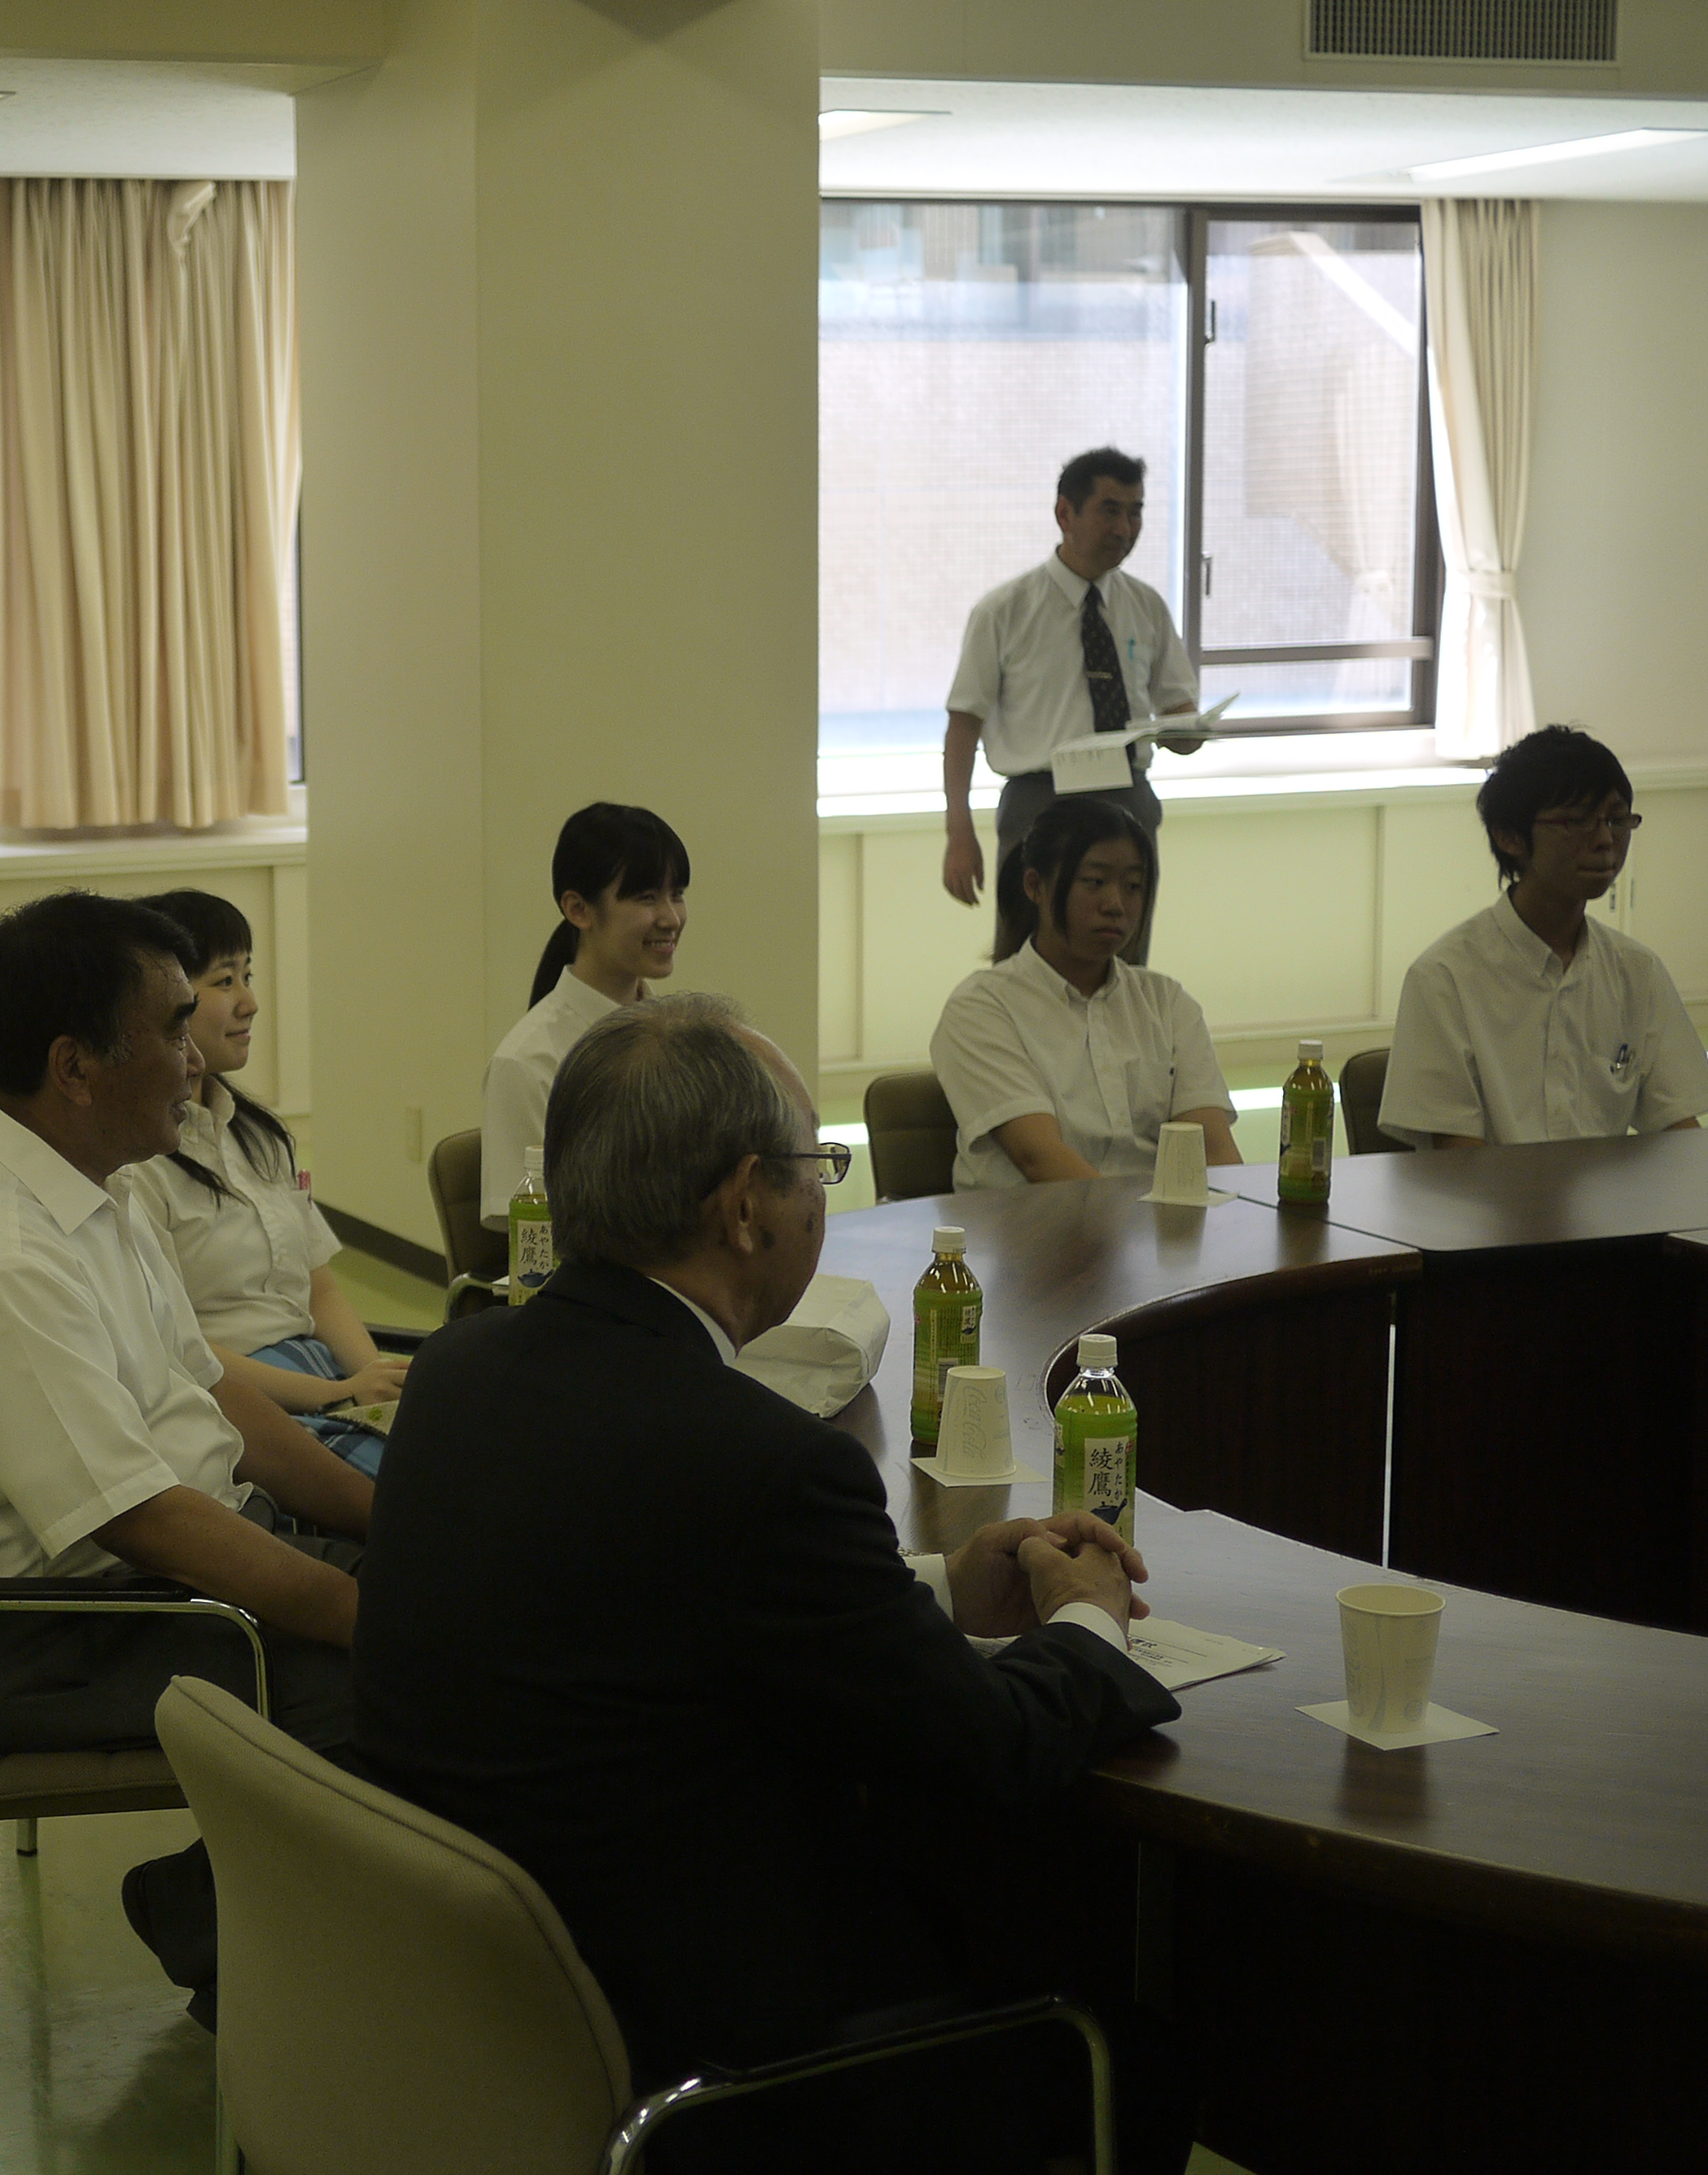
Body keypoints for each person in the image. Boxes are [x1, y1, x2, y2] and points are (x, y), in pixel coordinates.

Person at [353, 995, 1187, 2172]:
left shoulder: (458, 1367)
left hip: (472, 2000)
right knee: (1133, 2049)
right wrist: (1088, 1617)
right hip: (695, 2059)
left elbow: (647, 1595)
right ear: (746, 1203)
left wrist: (942, 1588)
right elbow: (993, 1751)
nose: (818, 1200)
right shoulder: (765, 1463)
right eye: (815, 1170)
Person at [0, 890, 374, 2020]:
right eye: (175, 1027)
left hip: (150, 1584)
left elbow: (216, 1393)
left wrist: (387, 1519)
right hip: (48, 1637)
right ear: (75, 1066)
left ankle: (244, 1926)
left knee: (471, 1607)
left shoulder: (95, 1185)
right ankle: (246, 1958)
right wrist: (361, 1610)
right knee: (410, 1681)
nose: (195, 1058)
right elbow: (141, 1517)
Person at [116, 889, 405, 1476]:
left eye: (247, 976)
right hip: (238, 1403)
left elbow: (319, 1291)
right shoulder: (135, 1164)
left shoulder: (261, 1134)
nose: (249, 1002)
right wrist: (337, 1396)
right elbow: (180, 1350)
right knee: (424, 1492)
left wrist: (376, 1382)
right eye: (224, 981)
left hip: (319, 1372)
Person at [1382, 726, 1708, 1149]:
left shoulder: (1636, 971)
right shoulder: (1445, 977)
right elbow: (1456, 1164)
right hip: (1489, 1194)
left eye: (1617, 820)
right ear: (1510, 836)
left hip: (1609, 1196)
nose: (1605, 841)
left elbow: (1682, 1137)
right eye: (1576, 821)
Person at [943, 447, 1202, 965]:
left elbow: (1180, 717)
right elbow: (964, 725)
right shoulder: (1005, 610)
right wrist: (959, 831)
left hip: (1127, 800)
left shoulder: (1146, 606)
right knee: (1025, 970)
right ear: (1066, 513)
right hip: (1040, 802)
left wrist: (1190, 732)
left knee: (1122, 969)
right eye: (1110, 510)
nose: (1125, 528)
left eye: (1136, 512)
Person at [931, 796, 1239, 1190]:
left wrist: (1241, 1217)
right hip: (1033, 1224)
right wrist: (1141, 1226)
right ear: (1035, 886)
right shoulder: (982, 1007)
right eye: (1094, 882)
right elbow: (1039, 1158)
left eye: (1133, 886)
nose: (1116, 905)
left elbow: (1214, 1151)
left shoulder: (1167, 1002)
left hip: (1156, 1223)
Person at [480, 803, 689, 1228]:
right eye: (648, 898)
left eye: (677, 894)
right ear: (579, 909)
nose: (670, 918)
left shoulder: (680, 1036)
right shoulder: (528, 1064)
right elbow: (529, 1237)